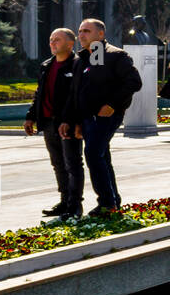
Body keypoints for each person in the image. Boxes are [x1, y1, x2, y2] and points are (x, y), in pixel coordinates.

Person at [58, 19, 142, 216]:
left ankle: (106, 203)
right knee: (102, 156)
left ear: (101, 34)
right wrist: (70, 120)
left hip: (107, 116)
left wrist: (112, 104)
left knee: (93, 153)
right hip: (87, 117)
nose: (81, 35)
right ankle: (113, 201)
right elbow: (75, 92)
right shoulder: (82, 59)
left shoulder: (115, 55)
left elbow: (133, 82)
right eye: (80, 31)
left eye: (87, 31)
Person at [24, 27, 83, 219]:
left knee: (72, 163)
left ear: (70, 43)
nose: (52, 43)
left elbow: (77, 97)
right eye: (51, 39)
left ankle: (74, 205)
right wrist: (31, 116)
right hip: (48, 122)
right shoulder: (46, 65)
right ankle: (64, 201)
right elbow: (39, 93)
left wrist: (70, 120)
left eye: (57, 39)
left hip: (67, 123)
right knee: (58, 163)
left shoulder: (77, 65)